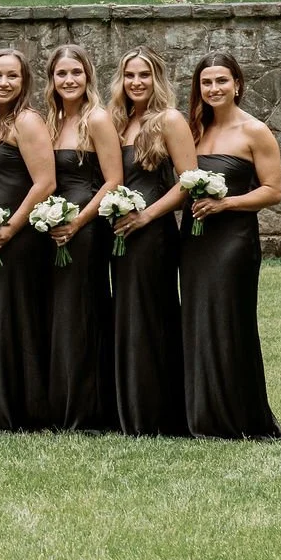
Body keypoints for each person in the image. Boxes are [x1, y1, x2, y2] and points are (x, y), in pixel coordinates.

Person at [182, 51, 281, 440]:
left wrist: (226, 203)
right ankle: (202, 414)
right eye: (206, 82)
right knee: (197, 321)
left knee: (229, 322)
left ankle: (239, 417)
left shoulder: (254, 131)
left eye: (221, 81)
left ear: (237, 84)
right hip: (193, 240)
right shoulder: (193, 129)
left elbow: (273, 192)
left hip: (233, 241)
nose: (214, 89)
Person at [107, 47, 193, 437]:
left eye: (144, 75)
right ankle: (128, 408)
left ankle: (158, 414)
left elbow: (187, 182)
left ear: (157, 79)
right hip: (120, 234)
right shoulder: (119, 122)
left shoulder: (169, 120)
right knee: (127, 317)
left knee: (151, 316)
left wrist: (146, 216)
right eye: (129, 76)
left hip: (153, 233)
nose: (136, 83)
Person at [0, 48, 58, 432]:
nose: (3, 83)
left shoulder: (27, 120)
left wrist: (11, 227)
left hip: (17, 239)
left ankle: (25, 410)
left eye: (12, 77)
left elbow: (46, 182)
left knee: (18, 319)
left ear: (25, 83)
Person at [43, 44, 123, 431]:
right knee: (58, 315)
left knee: (81, 312)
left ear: (88, 76)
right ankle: (58, 404)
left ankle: (87, 409)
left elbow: (113, 180)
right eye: (61, 74)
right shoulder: (50, 121)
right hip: (52, 226)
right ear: (52, 80)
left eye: (76, 72)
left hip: (85, 228)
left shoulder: (98, 119)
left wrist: (78, 222)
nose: (69, 80)